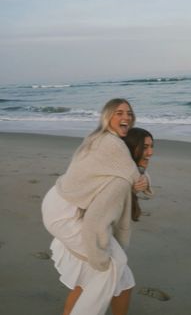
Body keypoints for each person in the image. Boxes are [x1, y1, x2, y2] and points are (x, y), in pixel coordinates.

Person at [41, 98, 152, 315]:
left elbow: (133, 173)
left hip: (62, 201)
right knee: (109, 266)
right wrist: (101, 257)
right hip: (67, 213)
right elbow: (132, 177)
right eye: (119, 112)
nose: (126, 117)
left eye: (129, 113)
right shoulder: (112, 146)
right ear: (107, 116)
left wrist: (144, 177)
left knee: (121, 280)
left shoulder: (97, 138)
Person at [123, 127, 154, 222]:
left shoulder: (134, 170)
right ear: (130, 148)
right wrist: (132, 190)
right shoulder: (120, 174)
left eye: (151, 146)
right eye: (144, 147)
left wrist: (143, 173)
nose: (150, 152)